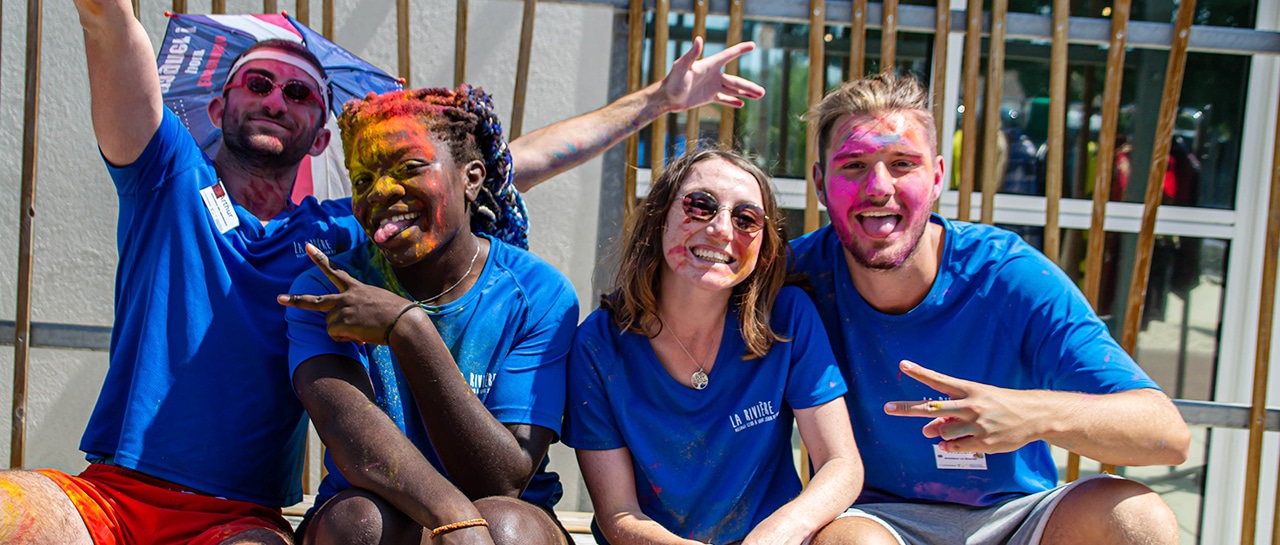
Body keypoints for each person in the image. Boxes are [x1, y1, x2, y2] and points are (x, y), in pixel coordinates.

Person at [0, 0, 763, 540]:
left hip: (238, 516)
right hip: (114, 492)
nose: (275, 99)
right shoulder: (166, 178)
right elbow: (110, 29)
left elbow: (506, 162)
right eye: (256, 82)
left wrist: (655, 100)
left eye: (299, 92)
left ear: (319, 127)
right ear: (220, 99)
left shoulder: (336, 235)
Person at [787, 73, 1191, 545]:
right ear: (819, 181)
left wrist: (1029, 414)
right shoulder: (794, 275)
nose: (879, 186)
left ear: (937, 177)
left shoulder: (1007, 274)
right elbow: (683, 300)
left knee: (1138, 517)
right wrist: (673, 100)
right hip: (876, 519)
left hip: (1015, 515)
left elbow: (1167, 434)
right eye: (853, 165)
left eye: (902, 163)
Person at [279, 85, 577, 545]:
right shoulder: (326, 289)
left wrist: (408, 329)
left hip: (503, 522)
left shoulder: (536, 294)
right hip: (381, 514)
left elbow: (502, 479)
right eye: (362, 180)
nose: (381, 191)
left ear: (471, 178)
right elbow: (359, 449)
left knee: (508, 527)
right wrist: (456, 521)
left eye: (409, 167)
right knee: (361, 524)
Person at [564, 148, 865, 545]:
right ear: (659, 219)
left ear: (764, 249)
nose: (722, 229)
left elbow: (841, 464)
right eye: (700, 205)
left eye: (746, 219)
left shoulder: (786, 319)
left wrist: (778, 532)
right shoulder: (598, 345)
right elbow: (619, 515)